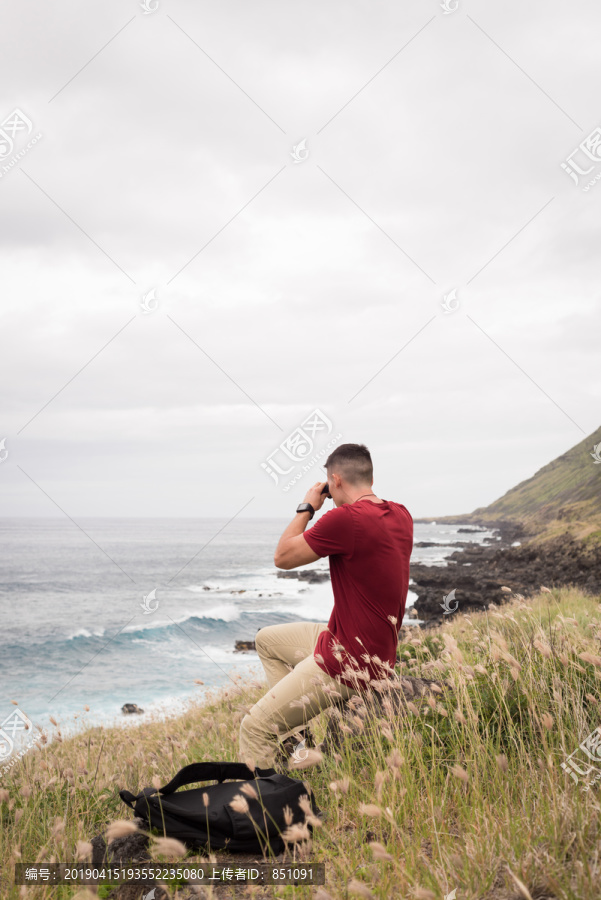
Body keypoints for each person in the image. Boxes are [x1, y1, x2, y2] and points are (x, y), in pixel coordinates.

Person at [239, 443, 413, 770]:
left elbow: (283, 557)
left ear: (334, 480)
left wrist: (307, 507)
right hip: (371, 648)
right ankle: (295, 740)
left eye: (329, 486)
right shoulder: (401, 515)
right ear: (368, 477)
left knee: (254, 727)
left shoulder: (345, 520)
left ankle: (267, 811)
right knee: (267, 640)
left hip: (348, 659)